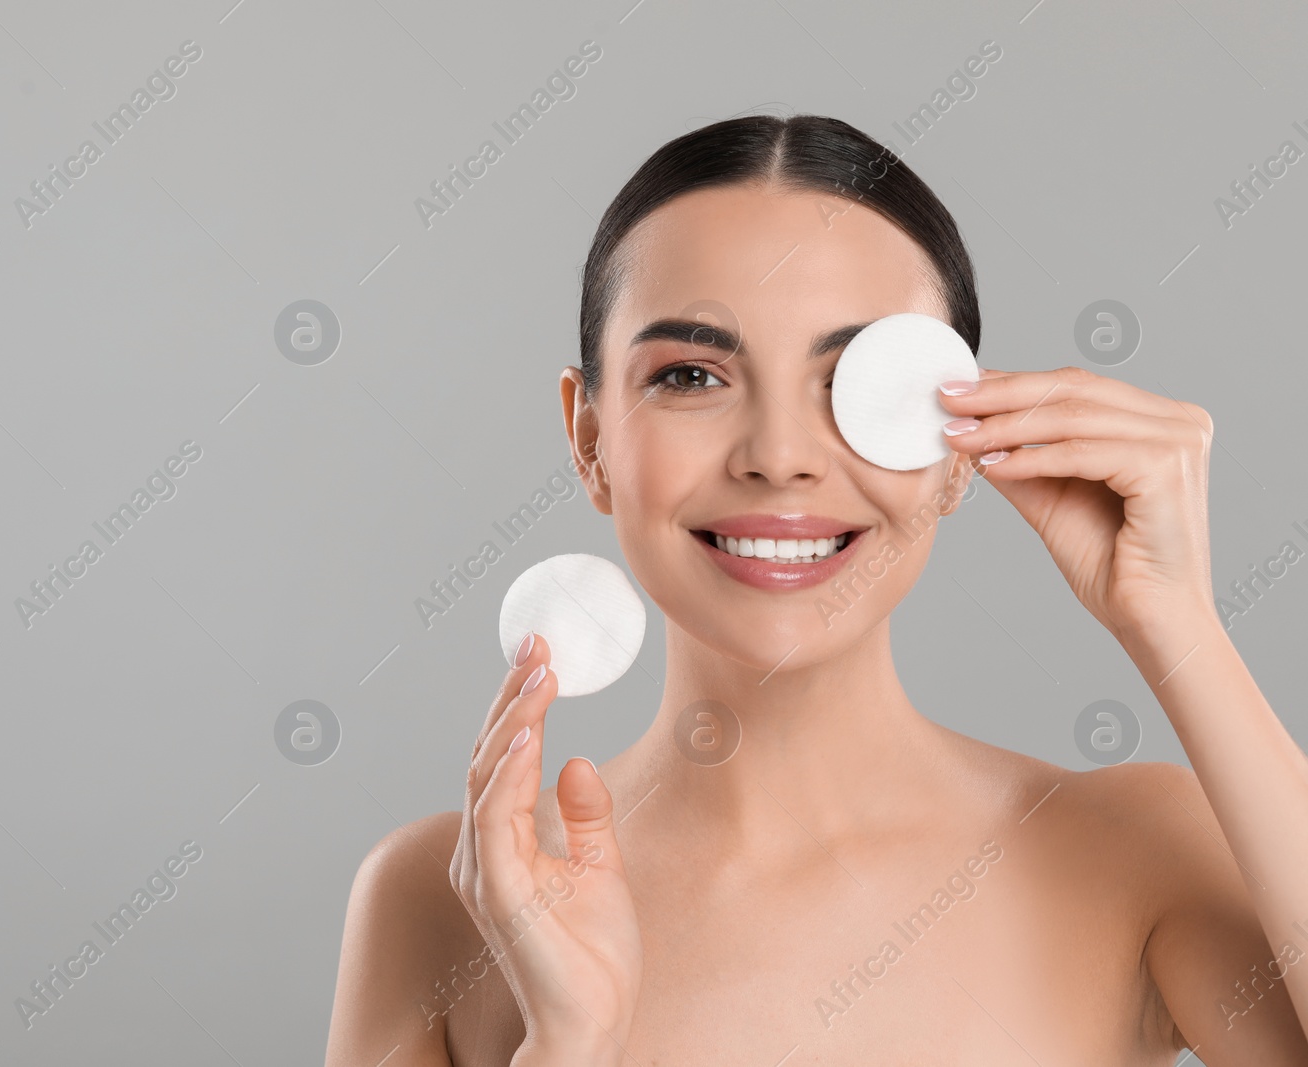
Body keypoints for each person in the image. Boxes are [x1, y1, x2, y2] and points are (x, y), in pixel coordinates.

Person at [324, 113, 1308, 1065]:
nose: (780, 458)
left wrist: (1176, 624)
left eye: (860, 383)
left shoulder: (1140, 848)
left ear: (959, 448)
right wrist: (571, 1048)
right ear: (589, 439)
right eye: (693, 376)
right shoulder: (442, 897)